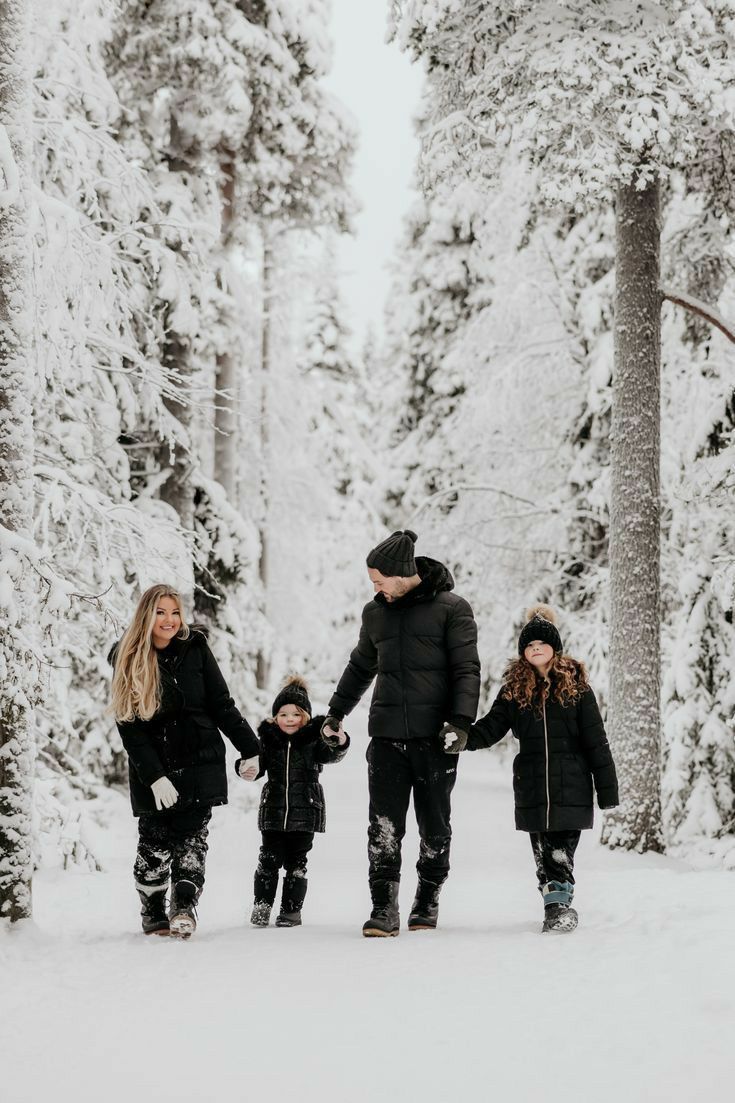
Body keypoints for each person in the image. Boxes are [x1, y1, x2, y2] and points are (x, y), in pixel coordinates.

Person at [323, 529, 480, 937]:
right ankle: (383, 907)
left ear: (399, 573)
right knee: (383, 825)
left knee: (435, 823)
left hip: (436, 738)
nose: (374, 587)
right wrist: (336, 712)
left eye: (378, 579)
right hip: (387, 737)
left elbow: (467, 669)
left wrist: (461, 722)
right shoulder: (375, 614)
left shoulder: (452, 609)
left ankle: (427, 897)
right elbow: (361, 666)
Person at [444, 604, 619, 933]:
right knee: (544, 852)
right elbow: (492, 727)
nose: (535, 649)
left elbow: (597, 742)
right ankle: (555, 905)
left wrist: (607, 789)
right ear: (523, 652)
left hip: (573, 784)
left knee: (559, 852)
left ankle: (558, 907)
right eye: (529, 645)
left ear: (555, 648)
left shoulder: (578, 689)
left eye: (541, 644)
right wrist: (463, 739)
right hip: (533, 784)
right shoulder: (514, 690)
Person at [110, 583, 259, 939]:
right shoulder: (127, 658)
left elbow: (221, 703)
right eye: (160, 612)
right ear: (146, 616)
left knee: (192, 840)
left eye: (175, 612)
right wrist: (156, 776)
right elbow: (130, 728)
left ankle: (184, 908)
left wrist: (250, 748)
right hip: (155, 769)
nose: (170, 620)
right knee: (154, 846)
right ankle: (152, 909)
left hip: (199, 761)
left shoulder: (196, 648)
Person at [238, 675, 349, 928]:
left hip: (305, 811)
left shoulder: (314, 740)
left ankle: (290, 911)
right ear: (275, 717)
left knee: (297, 862)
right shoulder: (269, 740)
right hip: (274, 812)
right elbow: (256, 764)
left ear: (306, 717)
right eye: (284, 714)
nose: (290, 719)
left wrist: (340, 741)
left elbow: (332, 754)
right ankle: (262, 906)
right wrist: (246, 767)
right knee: (268, 858)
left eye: (296, 714)